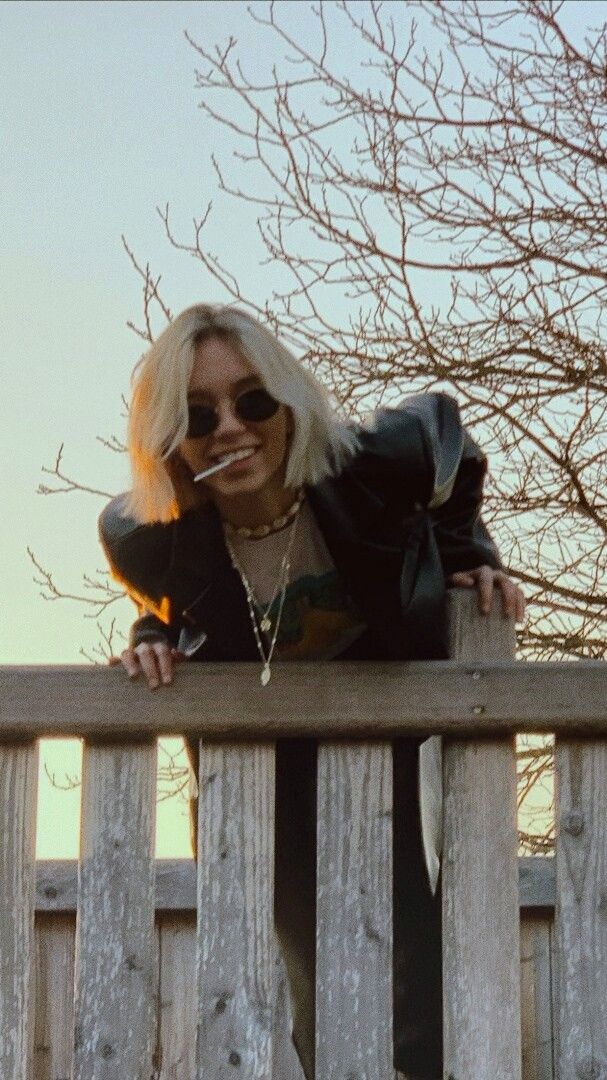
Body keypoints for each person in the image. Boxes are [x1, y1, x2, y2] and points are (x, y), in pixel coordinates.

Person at [100, 303, 525, 1080]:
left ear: (288, 403)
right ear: (169, 440)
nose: (230, 428)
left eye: (252, 400)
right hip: (272, 754)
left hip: (385, 709)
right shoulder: (143, 538)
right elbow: (171, 604)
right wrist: (154, 637)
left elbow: (452, 442)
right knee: (303, 970)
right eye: (198, 416)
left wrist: (466, 550)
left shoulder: (377, 462)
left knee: (414, 954)